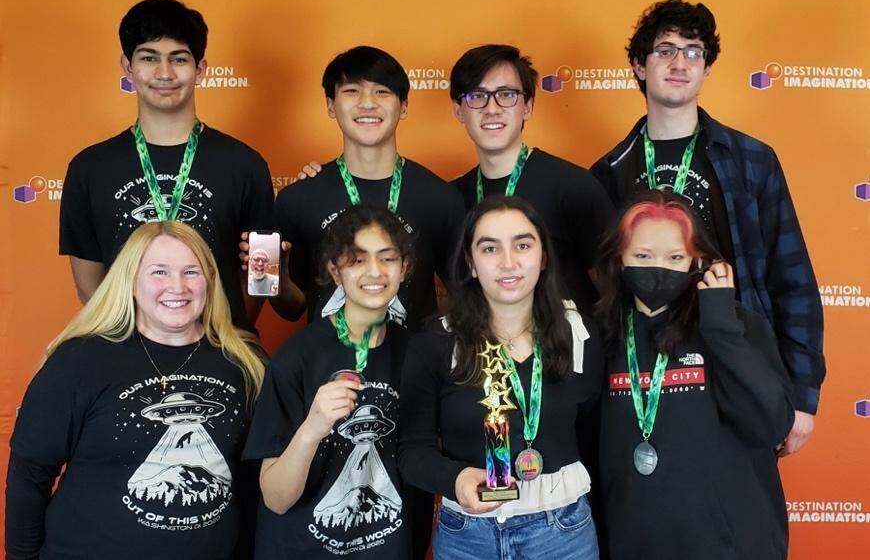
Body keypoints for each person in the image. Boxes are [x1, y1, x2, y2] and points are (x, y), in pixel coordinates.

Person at [590, 0, 824, 456]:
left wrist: (801, 395)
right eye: (665, 50)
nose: (680, 63)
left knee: (739, 513)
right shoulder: (608, 173)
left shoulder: (752, 160)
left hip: (735, 362)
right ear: (639, 66)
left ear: (707, 67)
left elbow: (792, 281)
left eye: (693, 51)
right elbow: (598, 292)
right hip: (643, 377)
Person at [6, 221, 266, 560]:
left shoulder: (244, 363)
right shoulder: (80, 360)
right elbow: (30, 473)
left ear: (211, 281)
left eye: (191, 272)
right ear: (130, 281)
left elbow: (251, 485)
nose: (178, 287)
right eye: (159, 272)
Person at [398, 196, 602, 559]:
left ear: (544, 257)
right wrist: (455, 479)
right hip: (467, 537)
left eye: (522, 245)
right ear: (471, 264)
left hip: (563, 533)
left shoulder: (580, 336)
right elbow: (412, 451)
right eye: (490, 248)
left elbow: (593, 435)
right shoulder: (435, 343)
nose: (508, 263)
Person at [594, 191, 794, 559]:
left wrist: (720, 325)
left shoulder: (737, 324)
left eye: (675, 257)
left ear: (696, 260)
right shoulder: (599, 334)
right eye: (642, 256)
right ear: (618, 258)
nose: (658, 267)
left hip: (731, 545)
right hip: (634, 544)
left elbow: (770, 424)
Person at [60, 0, 274, 330]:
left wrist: (222, 331)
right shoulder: (89, 169)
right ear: (128, 67)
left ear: (200, 70)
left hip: (222, 352)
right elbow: (90, 285)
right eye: (149, 58)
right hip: (124, 352)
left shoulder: (246, 165)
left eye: (179, 59)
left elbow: (262, 278)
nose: (164, 73)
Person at [243, 205, 415, 558]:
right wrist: (312, 428)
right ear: (335, 271)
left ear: (404, 268)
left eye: (388, 258)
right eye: (357, 260)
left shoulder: (417, 354)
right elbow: (275, 498)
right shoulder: (297, 358)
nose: (374, 272)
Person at [264, 46, 465, 330]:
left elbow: (464, 295)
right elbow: (290, 308)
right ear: (331, 105)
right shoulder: (298, 198)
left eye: (382, 91)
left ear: (403, 106)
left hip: (413, 370)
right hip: (326, 370)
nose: (368, 103)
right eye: (352, 91)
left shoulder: (439, 198)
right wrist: (277, 272)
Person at [449, 44, 615, 317]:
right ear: (459, 110)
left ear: (527, 106)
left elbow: (611, 292)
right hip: (485, 355)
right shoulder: (453, 199)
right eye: (477, 96)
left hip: (565, 353)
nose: (492, 108)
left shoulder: (574, 187)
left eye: (506, 95)